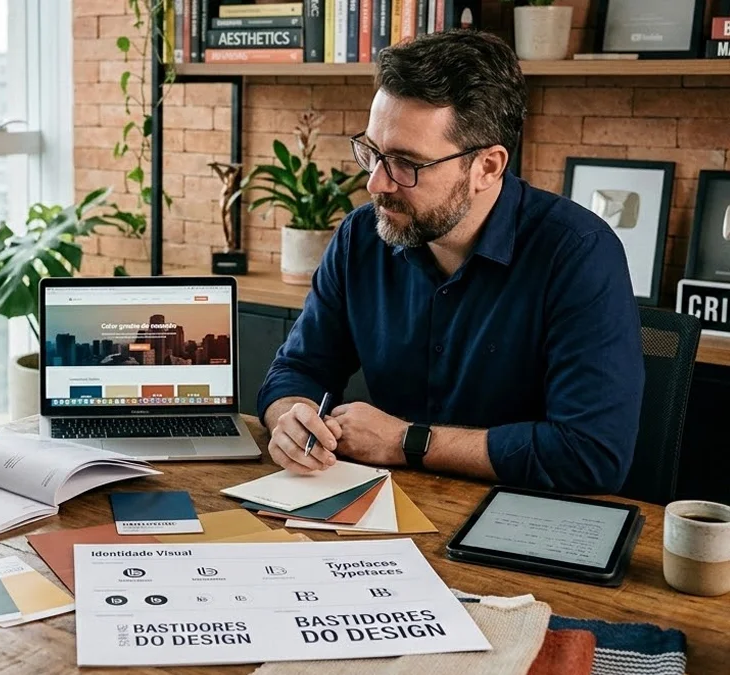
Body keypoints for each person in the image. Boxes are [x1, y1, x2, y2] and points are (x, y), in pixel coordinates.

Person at [257, 30, 644, 495]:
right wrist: (290, 417)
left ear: (487, 167)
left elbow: (591, 454)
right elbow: (297, 370)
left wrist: (406, 441)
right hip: (381, 505)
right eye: (373, 153)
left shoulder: (579, 253)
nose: (376, 183)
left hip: (520, 517)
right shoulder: (360, 236)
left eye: (406, 163)